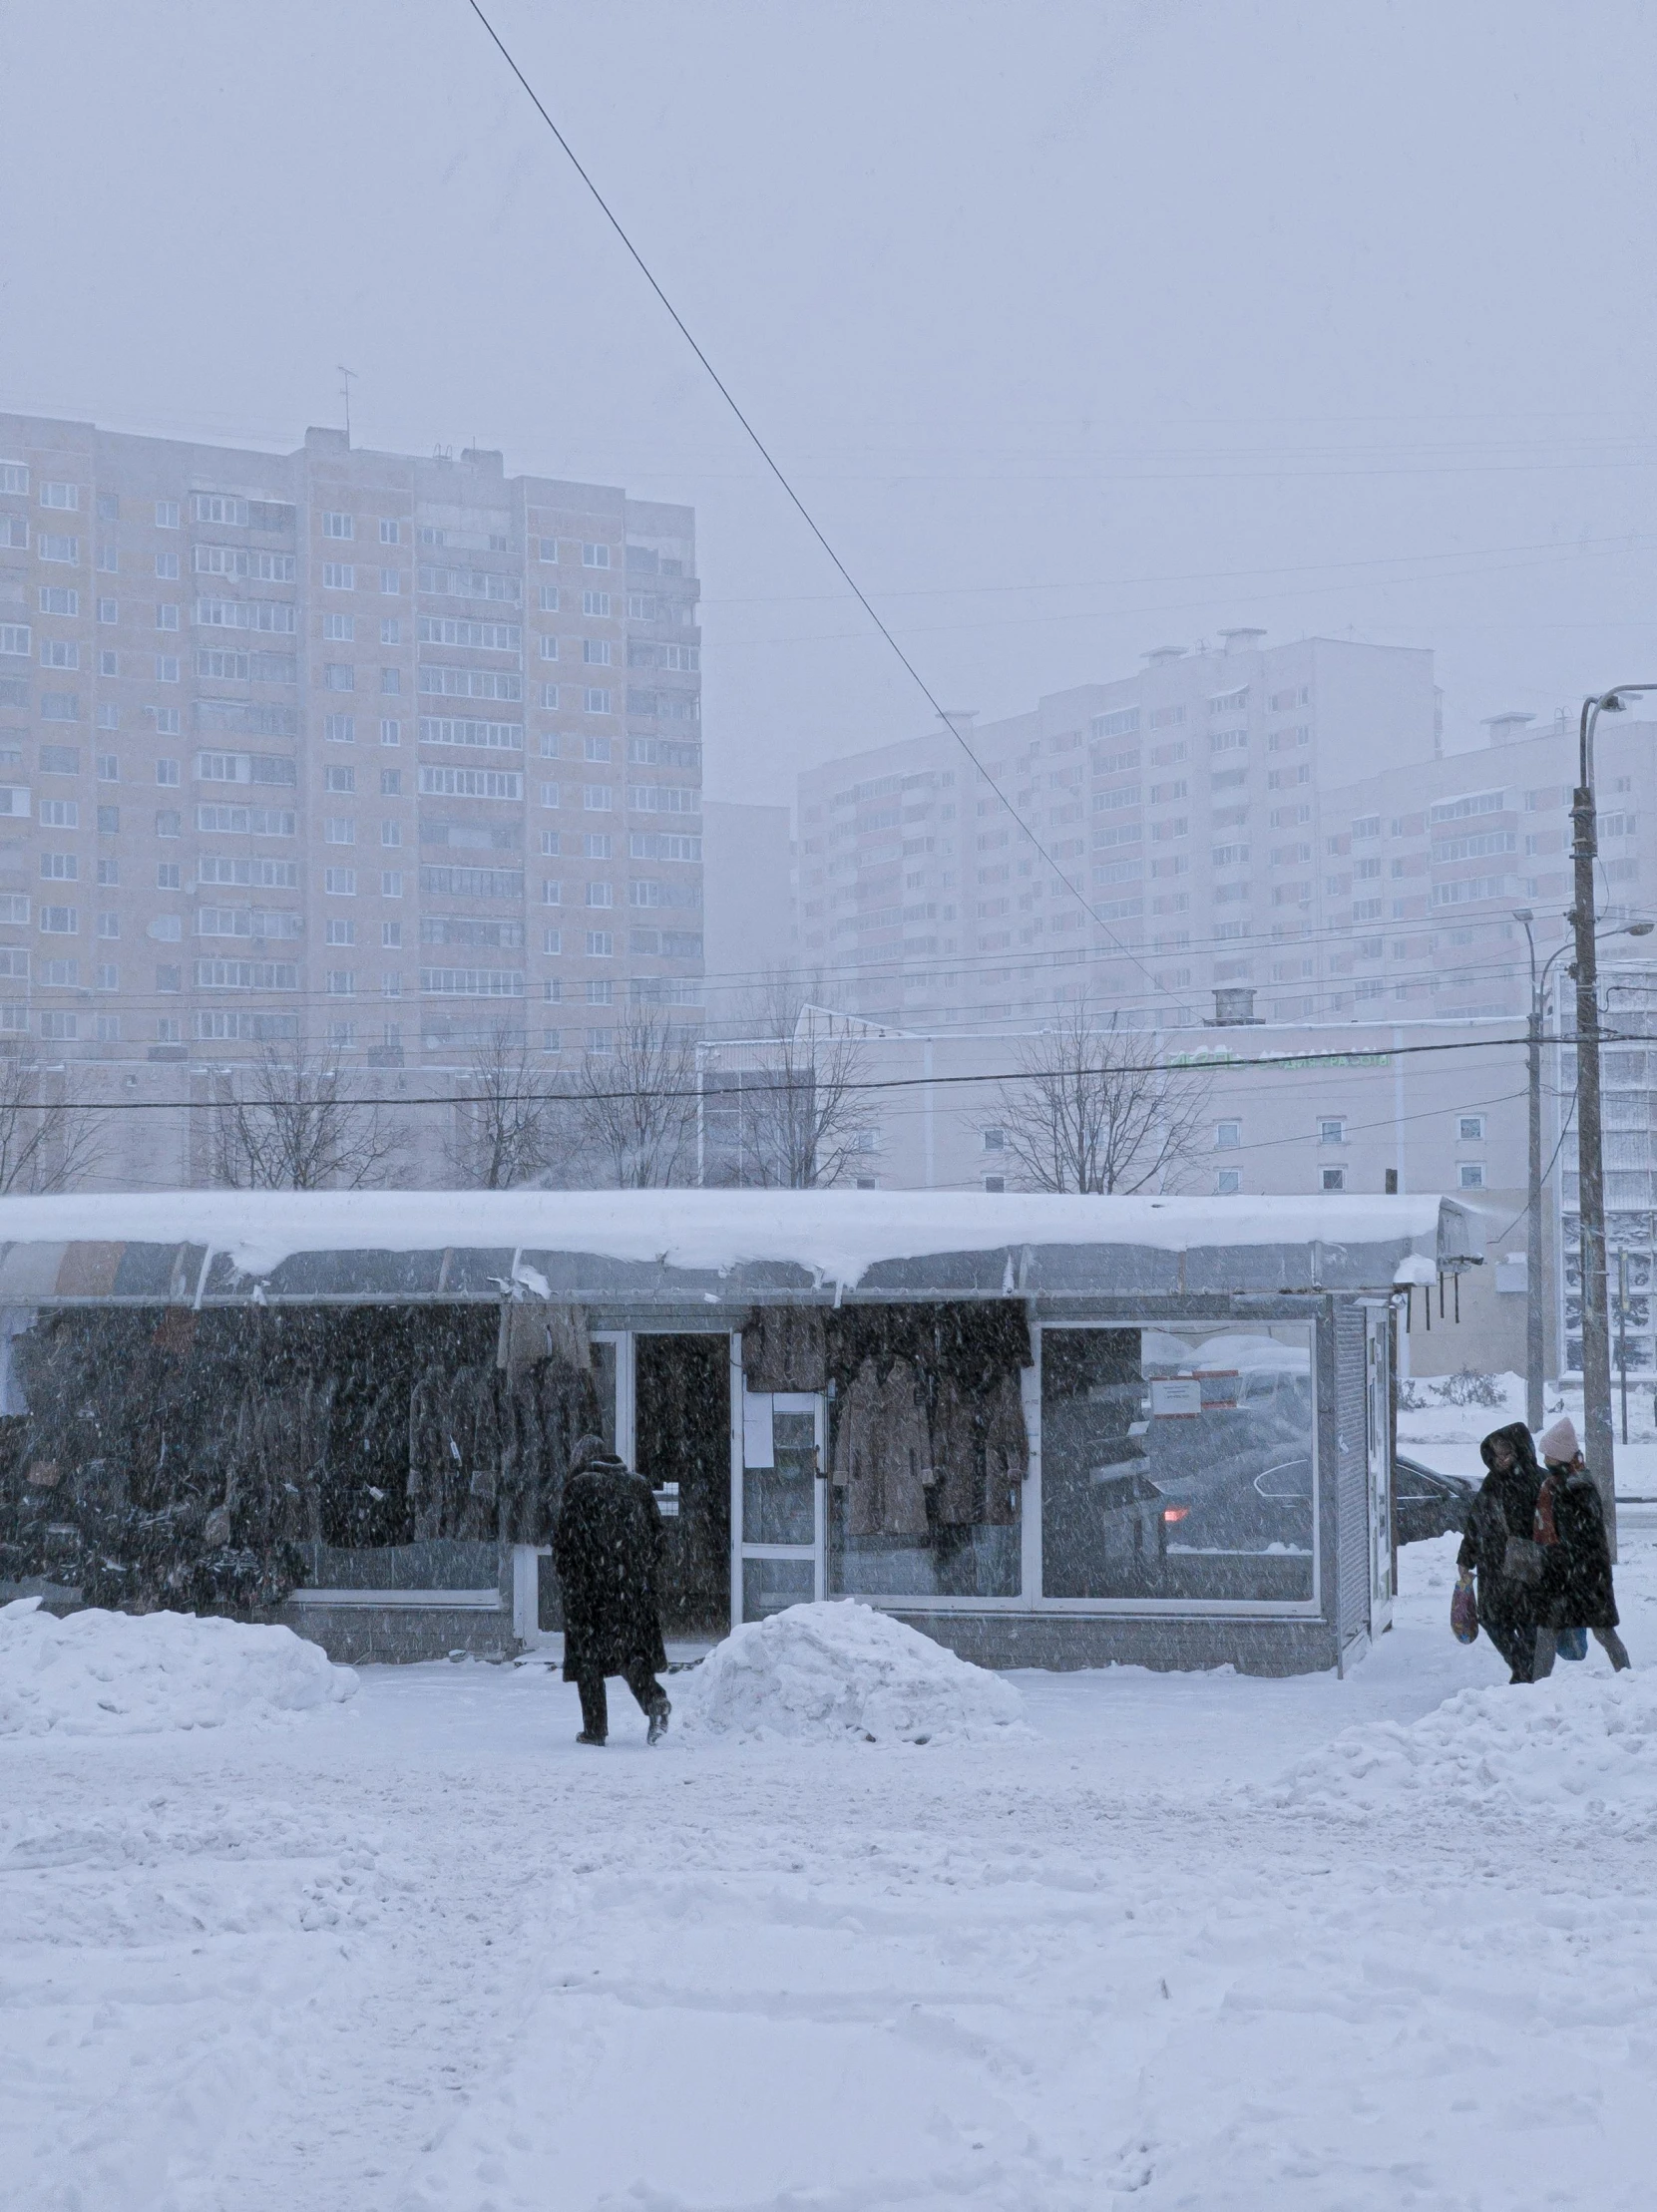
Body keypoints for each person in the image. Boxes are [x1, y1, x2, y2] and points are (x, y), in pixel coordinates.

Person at [551, 1432, 671, 1746]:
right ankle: (655, 1701)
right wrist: (639, 1572)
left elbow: (563, 1543)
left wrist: (571, 1578)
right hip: (632, 1590)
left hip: (589, 1591)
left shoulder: (579, 1488)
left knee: (588, 1658)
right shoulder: (638, 1484)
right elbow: (660, 1538)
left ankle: (595, 1730)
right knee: (629, 1652)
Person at [1530, 1414, 1631, 1677]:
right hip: (1566, 1577)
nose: (1545, 1461)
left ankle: (1628, 1678)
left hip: (1584, 1577)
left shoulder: (1578, 1489)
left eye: (1549, 1456)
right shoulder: (1558, 1485)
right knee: (1547, 1632)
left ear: (1561, 1457)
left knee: (1603, 1633)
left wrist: (1560, 1559)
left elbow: (1582, 1537)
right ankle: (1535, 1689)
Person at [1457, 1422, 1546, 1682]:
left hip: (1528, 1568)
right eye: (1496, 1455)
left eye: (1506, 1454)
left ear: (1521, 1452)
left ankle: (1526, 1675)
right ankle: (1524, 1670)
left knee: (1529, 1625)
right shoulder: (1492, 1483)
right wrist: (1466, 1558)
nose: (1500, 1461)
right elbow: (1476, 1522)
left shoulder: (1539, 1482)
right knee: (1490, 1619)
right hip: (1494, 1567)